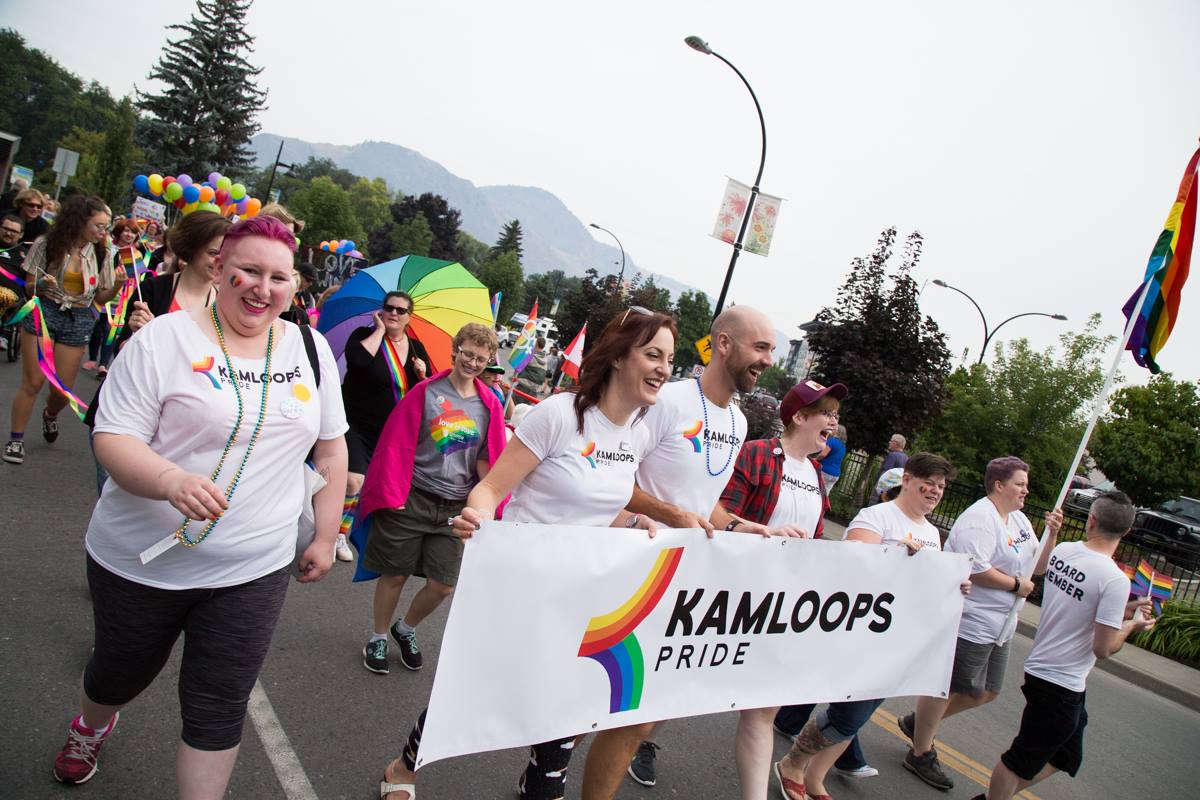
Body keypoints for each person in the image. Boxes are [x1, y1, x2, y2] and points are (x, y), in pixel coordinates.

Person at [49, 215, 349, 795]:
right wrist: (169, 481)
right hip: (142, 560)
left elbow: (331, 447)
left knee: (218, 704)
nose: (264, 288)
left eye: (279, 277)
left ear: (295, 287)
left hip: (252, 568)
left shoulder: (309, 349)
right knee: (118, 674)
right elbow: (112, 437)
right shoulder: (163, 340)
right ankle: (92, 721)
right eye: (249, 271)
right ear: (220, 269)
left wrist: (323, 534)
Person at [375, 307, 676, 800]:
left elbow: (602, 508)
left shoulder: (637, 435)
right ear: (620, 356)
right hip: (519, 588)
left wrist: (637, 521)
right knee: (473, 692)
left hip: (581, 599)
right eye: (652, 354)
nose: (664, 368)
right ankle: (403, 768)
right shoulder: (559, 414)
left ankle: (540, 787)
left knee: (563, 713)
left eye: (669, 358)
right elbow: (490, 488)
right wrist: (479, 516)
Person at [616, 306, 792, 799]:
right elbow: (614, 479)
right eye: (761, 347)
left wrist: (741, 525)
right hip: (632, 569)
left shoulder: (737, 421)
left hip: (685, 579)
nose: (769, 360)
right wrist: (670, 515)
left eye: (772, 349)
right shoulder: (667, 400)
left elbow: (706, 502)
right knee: (601, 692)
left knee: (656, 693)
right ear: (724, 344)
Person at [773, 452, 967, 800]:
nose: (935, 491)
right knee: (849, 714)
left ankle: (815, 776)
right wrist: (893, 557)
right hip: (862, 635)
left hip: (898, 640)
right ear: (906, 479)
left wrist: (952, 586)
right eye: (929, 483)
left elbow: (926, 586)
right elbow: (851, 565)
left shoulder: (932, 534)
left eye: (941, 486)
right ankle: (793, 762)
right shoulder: (878, 517)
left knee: (859, 716)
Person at [897, 456, 1063, 791]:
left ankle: (919, 724)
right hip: (971, 618)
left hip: (1001, 625)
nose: (1025, 491)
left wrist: (1053, 536)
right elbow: (975, 568)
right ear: (999, 485)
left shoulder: (1018, 521)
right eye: (1020, 484)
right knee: (949, 686)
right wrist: (1015, 585)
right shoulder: (979, 519)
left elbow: (1037, 568)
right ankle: (920, 750)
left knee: (986, 691)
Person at [976, 491, 1154, 800]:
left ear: (1091, 521)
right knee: (1019, 760)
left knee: (1067, 757)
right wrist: (1131, 626)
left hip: (1050, 673)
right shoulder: (1114, 580)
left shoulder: (1065, 552)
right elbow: (1104, 648)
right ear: (1127, 532)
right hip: (1060, 684)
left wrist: (1120, 612)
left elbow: (1079, 601)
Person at [357, 323, 505, 674]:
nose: (472, 362)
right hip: (412, 498)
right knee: (395, 574)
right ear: (455, 349)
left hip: (456, 509)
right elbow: (395, 444)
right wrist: (391, 490)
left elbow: (488, 458)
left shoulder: (489, 405)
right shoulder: (425, 392)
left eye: (480, 359)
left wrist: (494, 506)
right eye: (467, 353)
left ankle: (404, 628)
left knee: (443, 585)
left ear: (488, 362)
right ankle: (378, 637)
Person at [81, 212, 232, 495]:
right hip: (129, 414)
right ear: (191, 248)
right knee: (115, 497)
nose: (220, 261)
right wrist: (142, 334)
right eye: (213, 252)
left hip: (180, 428)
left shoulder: (224, 307)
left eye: (226, 253)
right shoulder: (153, 288)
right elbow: (123, 354)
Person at [4, 195, 125, 466]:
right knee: (33, 382)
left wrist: (117, 285)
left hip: (79, 317)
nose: (104, 232)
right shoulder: (47, 244)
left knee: (62, 389)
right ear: (80, 221)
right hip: (44, 311)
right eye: (99, 225)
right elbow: (28, 286)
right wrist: (42, 286)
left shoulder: (102, 252)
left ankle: (50, 414)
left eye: (106, 226)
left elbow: (102, 299)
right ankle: (16, 438)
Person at [339, 291, 430, 560]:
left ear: (409, 318)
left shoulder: (416, 349)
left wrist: (424, 373)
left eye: (401, 311)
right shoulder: (362, 335)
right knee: (354, 481)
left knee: (370, 487)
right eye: (389, 308)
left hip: (389, 432)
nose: (393, 313)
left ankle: (337, 524)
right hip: (355, 423)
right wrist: (379, 331)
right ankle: (338, 534)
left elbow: (424, 391)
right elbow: (357, 362)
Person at [85, 219, 143, 378]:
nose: (129, 234)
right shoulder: (107, 247)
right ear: (119, 232)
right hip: (102, 292)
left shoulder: (135, 254)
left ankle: (103, 364)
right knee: (97, 328)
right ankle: (92, 357)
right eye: (126, 230)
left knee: (111, 331)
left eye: (132, 232)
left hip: (121, 298)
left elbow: (136, 277)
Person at [0, 212, 26, 323]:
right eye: (5, 229)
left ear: (21, 235)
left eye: (14, 231)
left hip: (9, 297)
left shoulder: (25, 255)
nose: (9, 233)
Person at [871, 433, 908, 502]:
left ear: (896, 443)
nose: (889, 442)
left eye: (891, 441)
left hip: (883, 492)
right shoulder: (906, 458)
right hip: (895, 493)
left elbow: (884, 474)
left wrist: (876, 490)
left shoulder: (892, 456)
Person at [514, 336, 550, 402]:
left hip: (523, 385)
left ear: (536, 343)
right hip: (535, 389)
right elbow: (547, 374)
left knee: (514, 405)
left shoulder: (530, 355)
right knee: (525, 410)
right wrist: (545, 385)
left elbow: (518, 366)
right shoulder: (545, 359)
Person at [818, 423, 847, 494]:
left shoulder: (832, 440)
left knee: (816, 492)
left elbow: (822, 455)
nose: (832, 429)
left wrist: (814, 459)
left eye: (834, 428)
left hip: (825, 471)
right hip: (835, 475)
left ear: (837, 431)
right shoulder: (843, 446)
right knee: (824, 495)